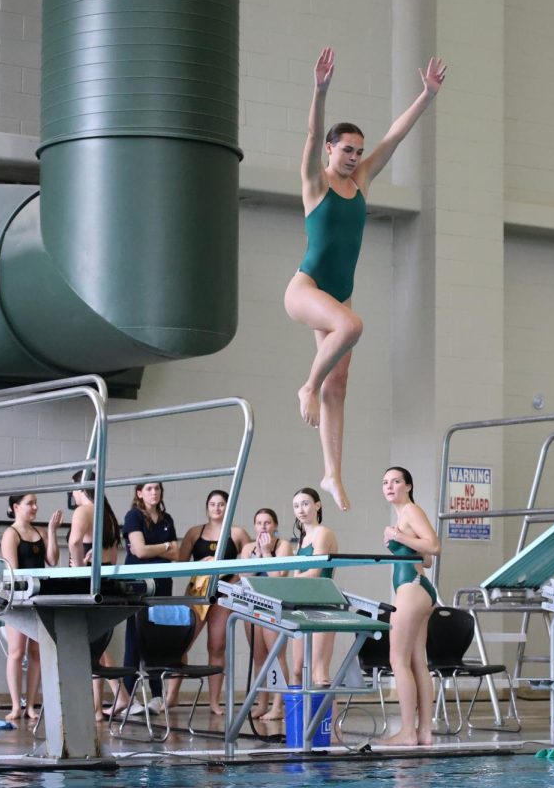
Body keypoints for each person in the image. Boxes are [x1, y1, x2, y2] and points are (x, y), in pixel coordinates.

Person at [285, 46, 447, 513]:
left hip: (337, 293)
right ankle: (306, 386)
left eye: (359, 150)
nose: (355, 157)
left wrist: (426, 97)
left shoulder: (361, 183)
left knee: (342, 382)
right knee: (351, 328)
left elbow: (395, 138)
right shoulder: (315, 181)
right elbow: (313, 133)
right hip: (305, 289)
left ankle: (332, 473)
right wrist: (320, 90)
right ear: (331, 151)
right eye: (347, 150)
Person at [174, 489, 252, 714]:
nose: (217, 508)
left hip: (224, 594)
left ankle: (214, 702)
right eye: (213, 504)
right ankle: (171, 696)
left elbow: (250, 564)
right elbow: (180, 563)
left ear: (227, 508)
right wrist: (203, 564)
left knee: (217, 646)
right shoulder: (194, 532)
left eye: (221, 504)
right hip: (199, 590)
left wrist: (232, 574)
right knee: (181, 643)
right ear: (206, 507)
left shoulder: (237, 533)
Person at [378, 467, 440, 746]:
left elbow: (435, 546)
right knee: (417, 662)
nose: (390, 486)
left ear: (409, 485)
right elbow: (426, 559)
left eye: (396, 482)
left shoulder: (411, 512)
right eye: (385, 483)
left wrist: (397, 536)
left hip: (411, 588)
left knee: (398, 661)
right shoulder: (403, 516)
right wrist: (399, 537)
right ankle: (424, 731)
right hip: (419, 584)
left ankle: (406, 731)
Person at [116, 480, 180, 715]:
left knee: (157, 639)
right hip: (139, 585)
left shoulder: (167, 519)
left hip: (162, 584)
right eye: (149, 489)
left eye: (158, 488)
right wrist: (164, 546)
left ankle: (156, 695)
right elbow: (139, 551)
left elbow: (177, 553)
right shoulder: (133, 516)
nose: (154, 492)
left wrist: (157, 548)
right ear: (140, 493)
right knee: (134, 638)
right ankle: (130, 697)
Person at [66, 470, 122, 722]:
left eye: (73, 489)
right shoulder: (107, 514)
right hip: (106, 583)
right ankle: (101, 706)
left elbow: (74, 542)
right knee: (97, 646)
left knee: (91, 646)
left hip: (88, 583)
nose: (72, 495)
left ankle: (114, 698)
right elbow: (112, 556)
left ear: (82, 488)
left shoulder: (83, 511)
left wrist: (78, 573)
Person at [0, 493, 61, 722]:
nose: (35, 507)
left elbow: (53, 561)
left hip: (39, 598)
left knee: (36, 652)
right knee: (16, 652)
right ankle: (17, 705)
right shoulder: (11, 534)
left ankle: (31, 705)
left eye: (36, 503)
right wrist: (18, 598)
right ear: (16, 507)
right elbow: (12, 570)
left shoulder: (40, 533)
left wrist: (52, 532)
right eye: (30, 504)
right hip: (18, 599)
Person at [243, 507, 295, 720]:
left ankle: (277, 705)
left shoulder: (283, 546)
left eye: (267, 523)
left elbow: (278, 575)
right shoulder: (248, 547)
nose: (263, 527)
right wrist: (256, 554)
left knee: (277, 656)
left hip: (274, 606)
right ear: (254, 526)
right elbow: (244, 576)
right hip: (252, 605)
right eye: (259, 523)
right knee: (259, 657)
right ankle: (262, 703)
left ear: (275, 526)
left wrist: (265, 553)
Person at [289, 487, 339, 686]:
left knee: (319, 671)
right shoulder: (302, 539)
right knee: (298, 669)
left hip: (323, 606)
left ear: (317, 505)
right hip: (302, 605)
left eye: (305, 504)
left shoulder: (323, 533)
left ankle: (327, 718)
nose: (300, 509)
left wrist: (287, 583)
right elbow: (296, 572)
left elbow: (314, 572)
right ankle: (299, 717)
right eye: (296, 506)